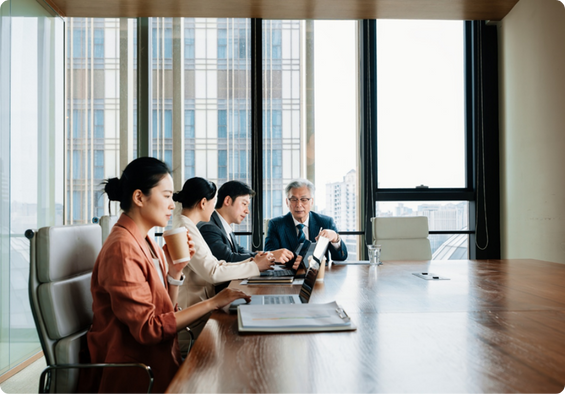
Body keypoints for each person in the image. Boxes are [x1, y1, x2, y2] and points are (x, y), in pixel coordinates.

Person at [83, 157, 250, 394]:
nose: (173, 205)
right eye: (167, 196)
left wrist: (174, 274)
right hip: (136, 371)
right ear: (139, 197)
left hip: (159, 359)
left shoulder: (147, 240)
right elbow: (150, 329)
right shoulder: (122, 248)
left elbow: (165, 313)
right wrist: (213, 303)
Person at [171, 177, 277, 351]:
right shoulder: (186, 228)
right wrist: (255, 266)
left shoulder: (190, 226)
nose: (214, 209)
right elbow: (213, 273)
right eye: (214, 203)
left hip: (199, 311)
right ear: (203, 203)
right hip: (196, 319)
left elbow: (216, 264)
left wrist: (253, 262)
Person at [197, 180, 295, 291]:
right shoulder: (209, 227)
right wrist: (270, 256)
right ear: (228, 201)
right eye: (244, 204)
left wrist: (264, 255)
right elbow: (228, 258)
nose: (247, 211)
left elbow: (239, 251)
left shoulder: (222, 226)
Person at [264, 179, 348, 261]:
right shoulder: (276, 225)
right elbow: (268, 256)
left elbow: (340, 258)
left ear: (311, 202)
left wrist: (335, 238)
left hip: (318, 274)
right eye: (294, 199)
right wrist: (274, 255)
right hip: (287, 273)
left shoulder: (326, 222)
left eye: (304, 200)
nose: (298, 205)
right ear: (287, 202)